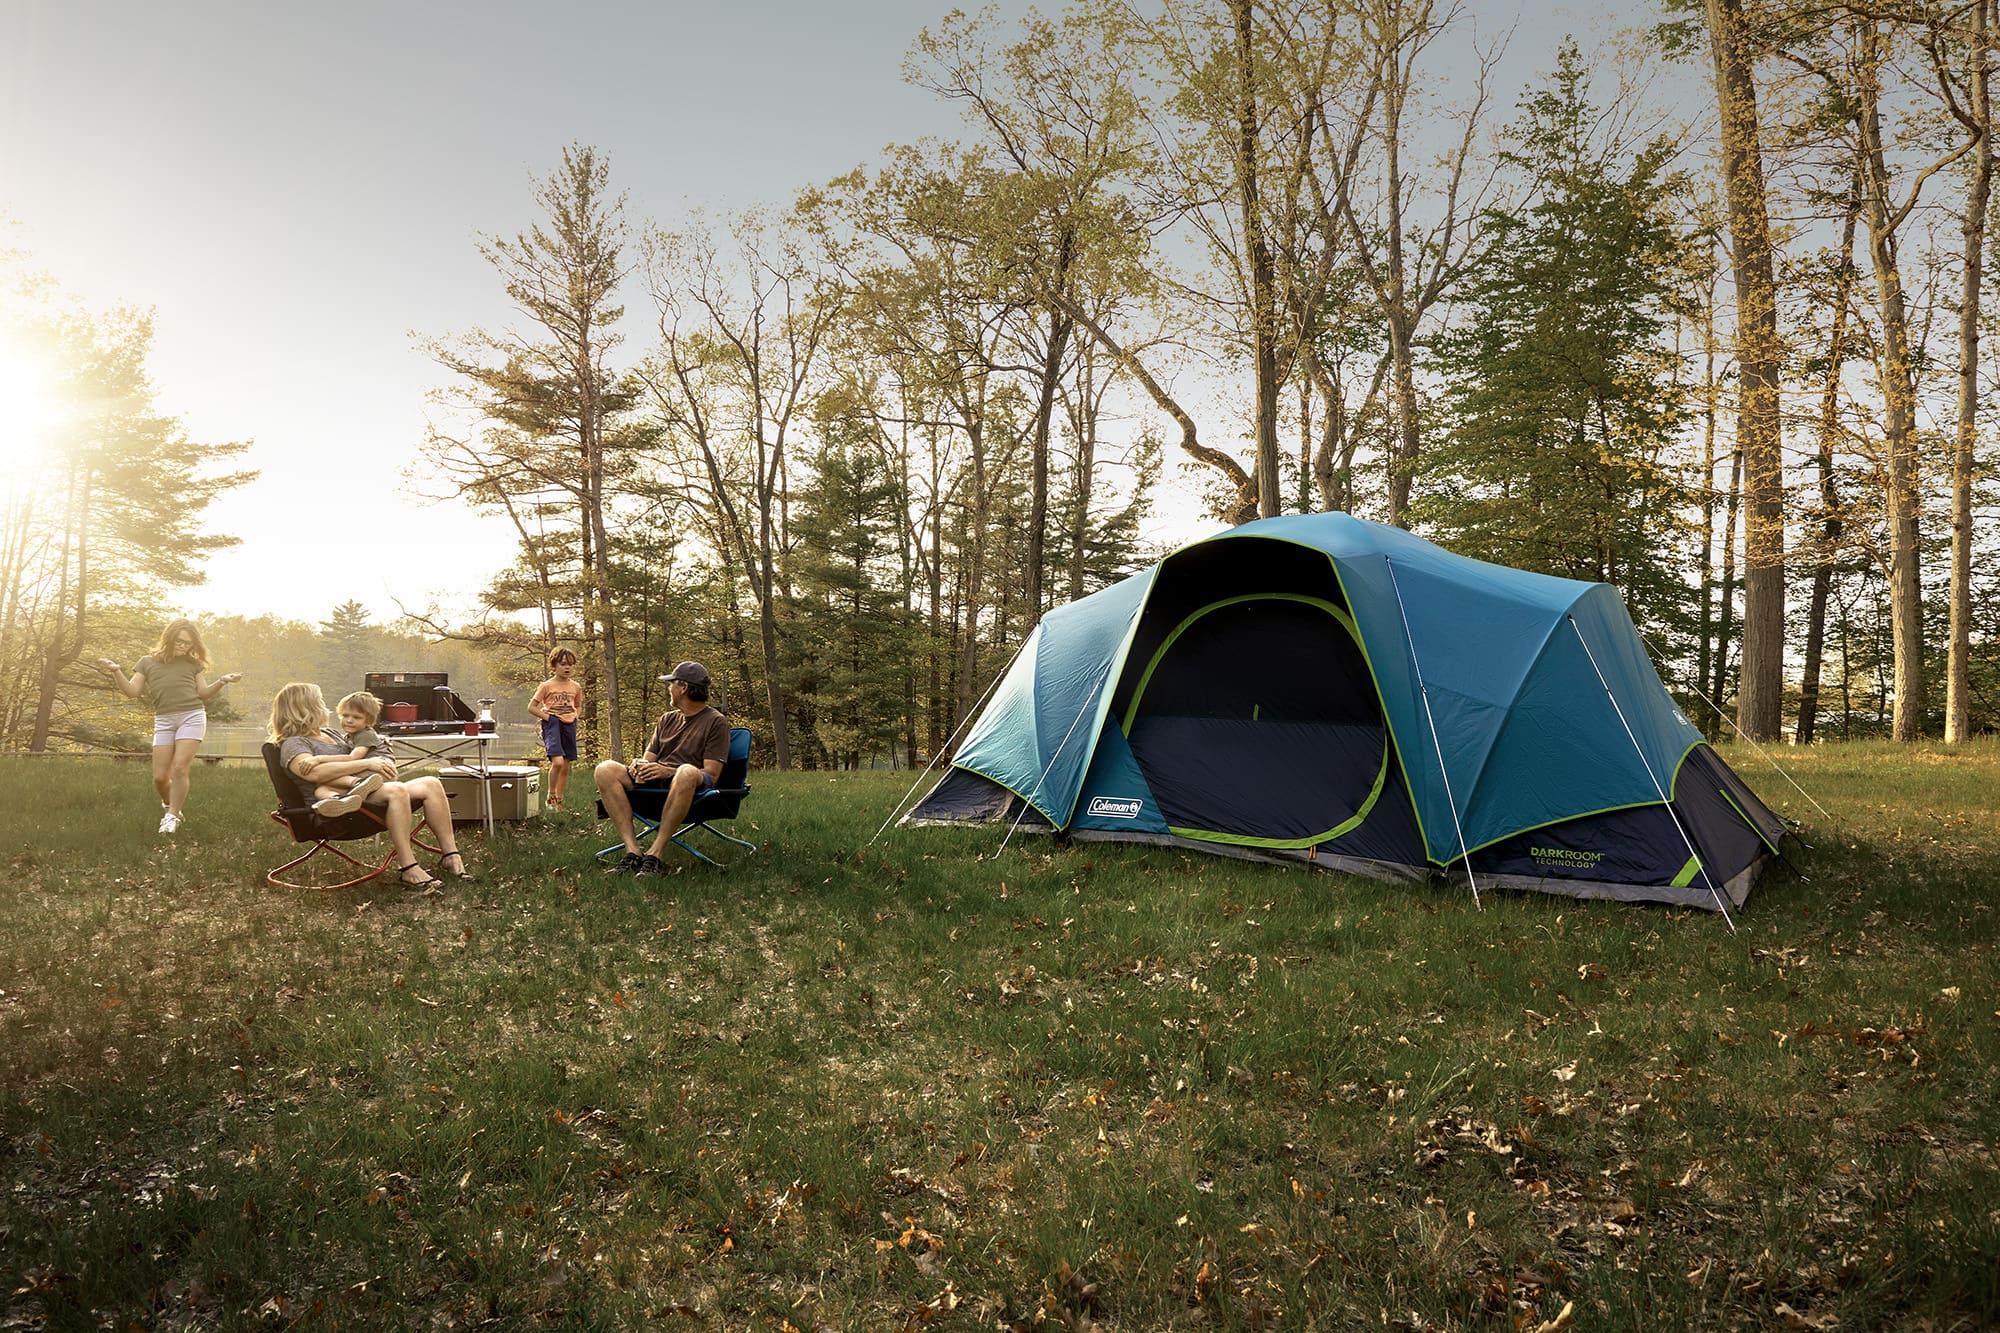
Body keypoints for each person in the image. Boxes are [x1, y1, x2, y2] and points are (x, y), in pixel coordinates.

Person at [268, 682, 473, 890]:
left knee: (431, 784)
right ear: (306, 708)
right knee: (397, 790)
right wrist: (367, 764)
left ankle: (450, 855)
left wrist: (379, 744)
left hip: (366, 791)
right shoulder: (293, 743)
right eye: (319, 701)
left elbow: (360, 747)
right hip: (337, 809)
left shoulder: (332, 733)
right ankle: (409, 867)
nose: (324, 706)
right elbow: (314, 773)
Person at [97, 618, 243, 834]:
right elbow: (131, 692)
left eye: (189, 644)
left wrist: (222, 681)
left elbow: (202, 694)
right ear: (169, 638)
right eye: (180, 642)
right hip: (164, 720)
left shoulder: (192, 664)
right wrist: (116, 671)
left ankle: (172, 817)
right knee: (159, 778)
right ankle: (170, 806)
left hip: (191, 716)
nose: (184, 647)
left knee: (179, 768)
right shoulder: (146, 662)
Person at [593, 660, 730, 876]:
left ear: (683, 687)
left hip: (691, 786)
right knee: (605, 768)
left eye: (671, 684)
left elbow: (711, 774)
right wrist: (639, 766)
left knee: (685, 771)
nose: (669, 688)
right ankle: (632, 852)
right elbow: (648, 759)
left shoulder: (716, 722)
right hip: (654, 784)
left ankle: (655, 854)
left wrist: (670, 771)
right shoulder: (667, 719)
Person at [306, 690, 392, 816]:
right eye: (345, 716)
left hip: (379, 771)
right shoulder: (354, 735)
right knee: (321, 789)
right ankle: (338, 800)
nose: (349, 720)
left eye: (356, 717)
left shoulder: (365, 734)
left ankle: (357, 785)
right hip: (371, 772)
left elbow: (352, 757)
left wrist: (319, 759)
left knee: (326, 778)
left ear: (369, 722)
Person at [528, 647, 584, 811]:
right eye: (563, 664)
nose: (567, 668)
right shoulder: (546, 686)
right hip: (552, 724)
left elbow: (578, 705)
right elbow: (532, 707)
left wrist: (575, 716)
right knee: (557, 762)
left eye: (571, 665)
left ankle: (559, 801)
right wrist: (549, 718)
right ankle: (550, 797)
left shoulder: (576, 687)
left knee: (565, 765)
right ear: (554, 666)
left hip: (569, 724)